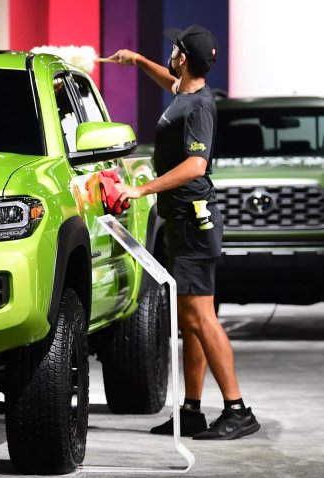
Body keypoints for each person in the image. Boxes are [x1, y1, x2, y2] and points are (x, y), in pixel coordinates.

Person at [109, 25, 260, 440]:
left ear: (184, 57)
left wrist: (139, 188)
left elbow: (196, 166)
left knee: (201, 318)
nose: (171, 54)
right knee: (190, 321)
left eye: (175, 50)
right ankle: (191, 410)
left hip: (195, 223)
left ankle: (237, 409)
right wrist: (137, 61)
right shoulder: (186, 92)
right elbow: (169, 81)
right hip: (183, 222)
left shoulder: (199, 108)